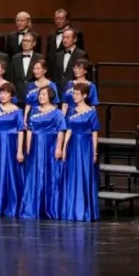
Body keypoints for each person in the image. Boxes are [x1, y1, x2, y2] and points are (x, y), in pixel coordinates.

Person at [19, 86, 66, 220]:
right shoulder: (34, 110)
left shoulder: (57, 113)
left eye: (44, 94)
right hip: (35, 146)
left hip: (50, 145)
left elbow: (61, 130)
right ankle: (33, 207)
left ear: (50, 96)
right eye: (40, 94)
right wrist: (28, 147)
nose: (41, 96)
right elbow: (30, 130)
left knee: (49, 175)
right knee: (34, 174)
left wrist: (59, 148)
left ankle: (49, 207)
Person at [61, 83, 100, 221]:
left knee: (85, 174)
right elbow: (68, 130)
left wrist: (95, 152)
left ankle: (86, 210)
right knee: (73, 175)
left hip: (85, 146)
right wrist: (64, 147)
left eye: (77, 94)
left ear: (84, 95)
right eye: (74, 93)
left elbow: (94, 132)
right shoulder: (71, 111)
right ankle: (73, 210)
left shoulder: (92, 112)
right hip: (73, 146)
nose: (74, 96)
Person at [0, 83, 24, 218]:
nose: (2, 95)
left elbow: (21, 131)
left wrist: (20, 150)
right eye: (1, 93)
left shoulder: (18, 111)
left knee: (12, 172)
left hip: (12, 144)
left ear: (11, 95)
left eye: (6, 93)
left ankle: (13, 206)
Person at [23, 59, 58, 124]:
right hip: (32, 116)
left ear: (45, 70)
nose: (35, 71)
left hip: (47, 117)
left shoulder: (51, 85)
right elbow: (28, 104)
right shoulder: (30, 85)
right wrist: (25, 119)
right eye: (34, 69)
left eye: (38, 68)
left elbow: (55, 104)